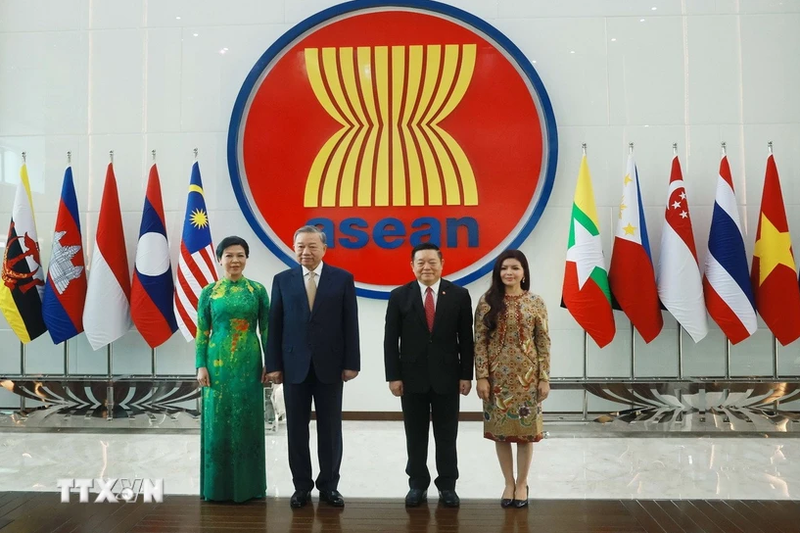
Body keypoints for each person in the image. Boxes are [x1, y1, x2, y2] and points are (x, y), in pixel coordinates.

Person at [266, 225, 360, 509]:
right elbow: (275, 325)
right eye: (300, 247)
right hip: (293, 366)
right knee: (296, 429)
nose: (305, 252)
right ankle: (301, 487)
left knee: (330, 430)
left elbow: (350, 323)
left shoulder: (342, 279)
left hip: (331, 366)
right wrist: (274, 365)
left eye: (312, 247)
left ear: (324, 249)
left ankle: (329, 486)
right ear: (294, 248)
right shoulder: (282, 280)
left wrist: (351, 363)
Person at [384, 242, 474, 508]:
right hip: (411, 379)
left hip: (448, 376)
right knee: (415, 434)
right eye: (420, 262)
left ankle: (447, 485)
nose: (426, 267)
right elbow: (391, 340)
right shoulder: (399, 296)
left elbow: (466, 340)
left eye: (432, 262)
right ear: (412, 266)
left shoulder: (459, 295)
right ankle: (417, 484)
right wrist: (393, 376)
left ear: (442, 264)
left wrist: (466, 374)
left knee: (447, 435)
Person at [195, 235, 270, 502]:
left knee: (247, 418)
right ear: (219, 259)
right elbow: (202, 331)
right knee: (217, 419)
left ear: (247, 259)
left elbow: (267, 329)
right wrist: (200, 365)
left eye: (240, 255)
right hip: (216, 365)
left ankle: (249, 487)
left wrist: (270, 363)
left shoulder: (257, 291)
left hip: (249, 362)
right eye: (229, 255)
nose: (235, 260)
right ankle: (217, 487)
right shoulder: (209, 292)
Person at [474, 250, 550, 509]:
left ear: (524, 272)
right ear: (498, 272)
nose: (509, 272)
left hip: (528, 380)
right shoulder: (487, 302)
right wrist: (481, 376)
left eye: (515, 268)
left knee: (526, 433)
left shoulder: (536, 302)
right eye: (504, 268)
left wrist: (544, 377)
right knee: (501, 434)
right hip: (497, 381)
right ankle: (508, 482)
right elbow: (480, 342)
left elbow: (543, 341)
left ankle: (522, 483)